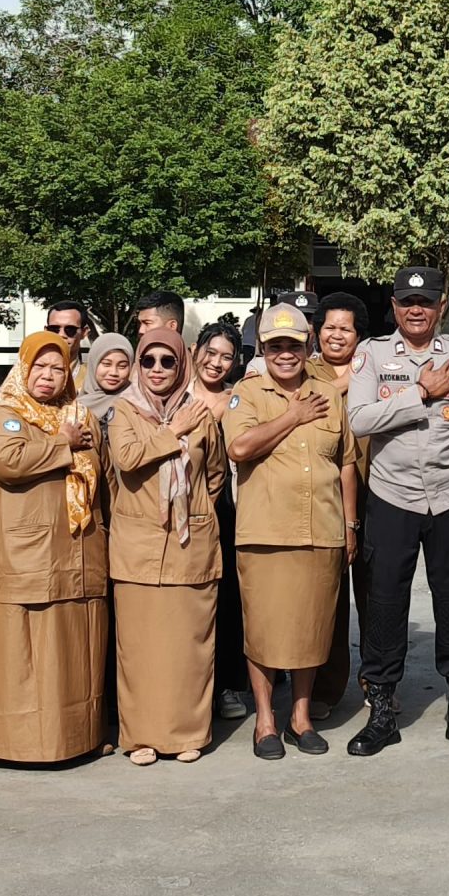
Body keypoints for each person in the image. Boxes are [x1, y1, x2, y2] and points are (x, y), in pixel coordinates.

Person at [347, 266, 449, 756]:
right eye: (407, 301)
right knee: (386, 602)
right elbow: (359, 420)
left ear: (440, 306)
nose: (416, 310)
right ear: (393, 306)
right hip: (393, 496)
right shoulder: (371, 355)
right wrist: (421, 393)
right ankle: (383, 710)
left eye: (426, 302)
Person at [223, 303, 358, 758]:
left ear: (308, 346)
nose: (285, 354)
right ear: (263, 348)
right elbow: (239, 447)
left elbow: (345, 462)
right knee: (263, 629)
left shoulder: (329, 392)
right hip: (265, 533)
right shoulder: (248, 392)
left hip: (322, 529)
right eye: (276, 346)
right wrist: (292, 417)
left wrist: (350, 524)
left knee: (311, 629)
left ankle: (300, 718)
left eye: (294, 346)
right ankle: (265, 721)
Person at [0, 333, 109, 765]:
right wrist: (62, 443)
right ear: (22, 369)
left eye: (57, 367)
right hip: (21, 554)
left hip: (76, 550)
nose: (48, 376)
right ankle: (19, 745)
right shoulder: (6, 414)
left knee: (72, 651)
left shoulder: (80, 414)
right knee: (24, 656)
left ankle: (77, 738)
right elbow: (9, 462)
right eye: (39, 367)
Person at [105, 327, 225, 765]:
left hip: (188, 544)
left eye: (167, 361)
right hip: (137, 548)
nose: (157, 370)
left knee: (188, 647)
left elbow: (214, 474)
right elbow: (127, 459)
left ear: (181, 365)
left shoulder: (201, 413)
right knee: (139, 650)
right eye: (149, 361)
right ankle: (141, 737)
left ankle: (188, 733)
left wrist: (190, 511)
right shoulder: (124, 411)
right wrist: (173, 431)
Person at [308, 291, 369, 715]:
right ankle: (325, 690)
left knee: (377, 595)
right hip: (324, 495)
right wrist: (345, 383)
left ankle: (378, 680)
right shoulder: (306, 368)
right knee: (327, 595)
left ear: (358, 336)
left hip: (377, 493)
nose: (336, 335)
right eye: (329, 327)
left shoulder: (377, 368)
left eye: (345, 328)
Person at [189, 318, 250, 720]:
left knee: (228, 596)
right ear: (195, 350)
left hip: (226, 506)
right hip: (181, 506)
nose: (216, 363)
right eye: (210, 353)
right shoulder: (174, 394)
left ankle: (228, 685)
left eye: (226, 358)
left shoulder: (236, 399)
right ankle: (190, 685)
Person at [81, 333, 137, 418]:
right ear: (93, 364)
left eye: (122, 366)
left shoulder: (136, 403)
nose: (113, 373)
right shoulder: (77, 407)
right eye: (106, 364)